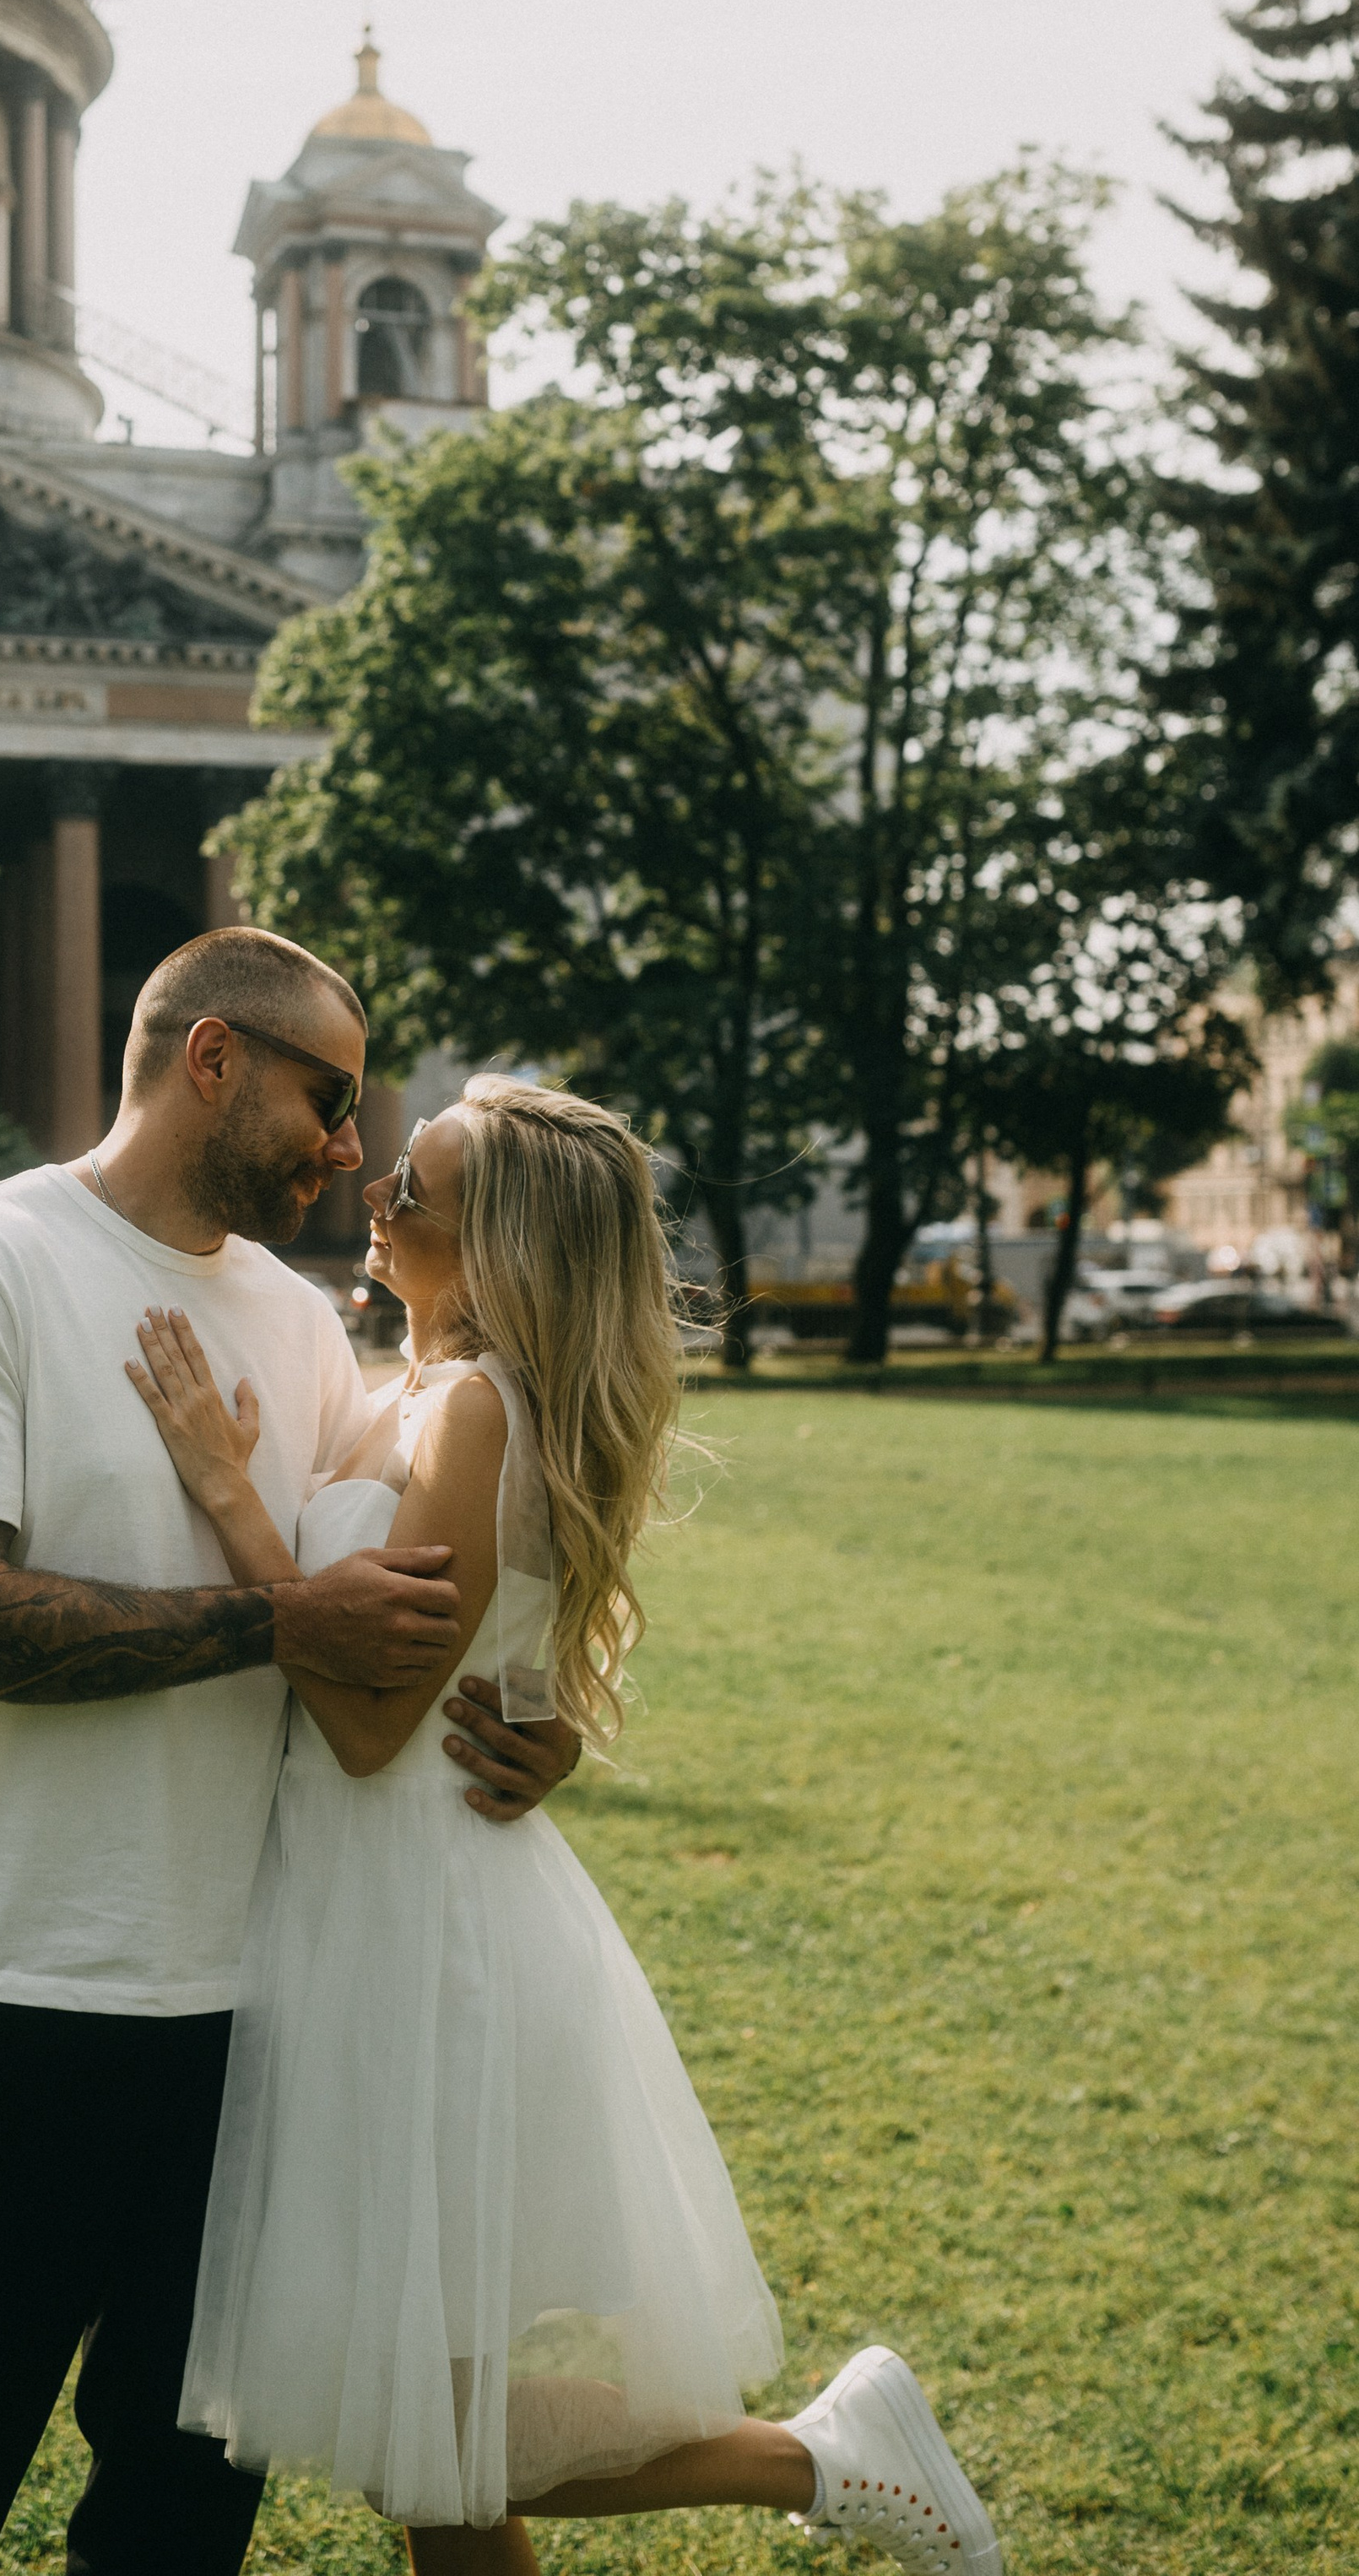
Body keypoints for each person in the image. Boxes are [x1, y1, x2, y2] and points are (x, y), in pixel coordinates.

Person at [123, 1079, 1005, 2576]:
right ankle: (826, 2452)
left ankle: (818, 2457)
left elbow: (364, 1725)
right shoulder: (408, 1386)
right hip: (365, 1905)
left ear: (502, 1246)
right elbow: (470, 1663)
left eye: (422, 1185)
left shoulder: (469, 1410)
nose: (382, 1190)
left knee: (427, 2426)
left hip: (416, 1922)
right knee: (430, 2448)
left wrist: (224, 1486)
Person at [0, 932, 581, 2576]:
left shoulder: (296, 1330)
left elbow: (402, 1595)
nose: (349, 1148)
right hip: (13, 1994)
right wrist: (273, 1632)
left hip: (256, 2022)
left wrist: (524, 1719)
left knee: (175, 2519)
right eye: (325, 1097)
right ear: (210, 1058)